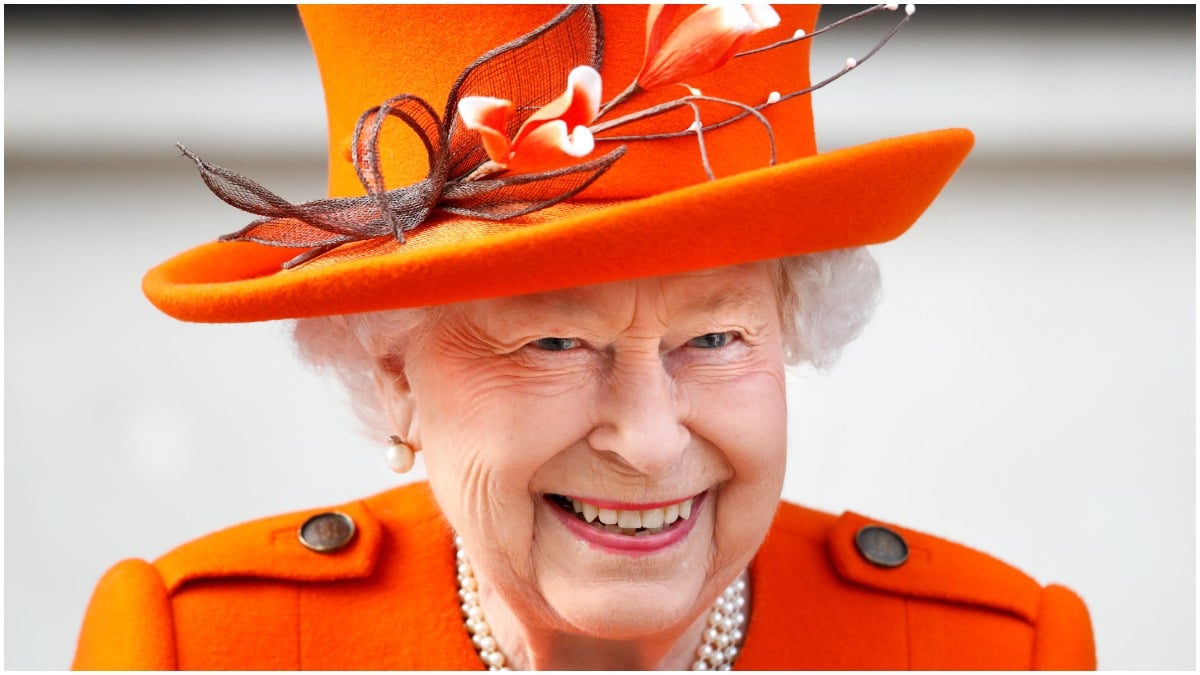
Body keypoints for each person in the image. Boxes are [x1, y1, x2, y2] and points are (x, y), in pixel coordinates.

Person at [73, 4, 1095, 670]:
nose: (649, 442)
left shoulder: (983, 651)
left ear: (794, 329)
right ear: (392, 371)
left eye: (716, 337)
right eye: (554, 345)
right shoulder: (206, 649)